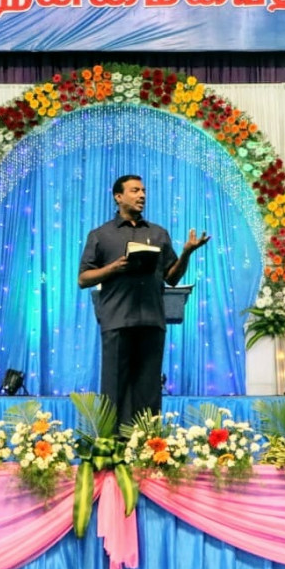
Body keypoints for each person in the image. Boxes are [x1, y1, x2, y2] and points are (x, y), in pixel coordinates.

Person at [78, 174, 210, 426]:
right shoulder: (101, 235)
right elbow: (83, 279)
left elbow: (172, 277)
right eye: (135, 190)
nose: (142, 195)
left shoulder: (158, 233)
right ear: (118, 197)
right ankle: (113, 443)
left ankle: (147, 442)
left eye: (144, 191)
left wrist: (186, 253)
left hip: (152, 320)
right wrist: (114, 267)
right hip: (117, 320)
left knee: (149, 389)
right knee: (115, 387)